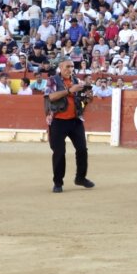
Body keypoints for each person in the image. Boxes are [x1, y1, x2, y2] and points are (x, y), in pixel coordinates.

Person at [43, 59, 95, 193]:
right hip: (58, 121)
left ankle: (80, 178)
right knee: (59, 152)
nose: (70, 69)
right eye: (67, 66)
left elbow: (81, 102)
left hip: (75, 120)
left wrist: (87, 99)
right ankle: (58, 182)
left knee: (82, 149)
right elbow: (51, 97)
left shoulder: (77, 81)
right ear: (60, 67)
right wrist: (69, 90)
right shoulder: (53, 80)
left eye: (72, 66)